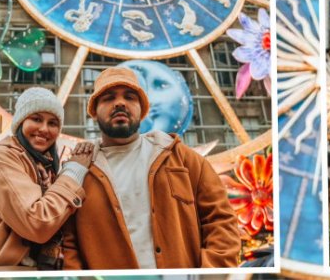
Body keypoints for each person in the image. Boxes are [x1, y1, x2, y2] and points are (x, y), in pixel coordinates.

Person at [62, 67, 240, 269]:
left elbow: (221, 220)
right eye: (108, 98)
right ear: (94, 111)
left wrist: (211, 272)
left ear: (142, 109)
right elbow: (69, 243)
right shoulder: (79, 170)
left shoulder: (182, 157)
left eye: (129, 97)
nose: (119, 103)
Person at [0, 87, 94, 271]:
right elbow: (38, 224)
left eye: (53, 123)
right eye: (36, 119)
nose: (44, 129)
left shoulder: (48, 167)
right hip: (3, 273)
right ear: (20, 122)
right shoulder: (1, 158)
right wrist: (73, 172)